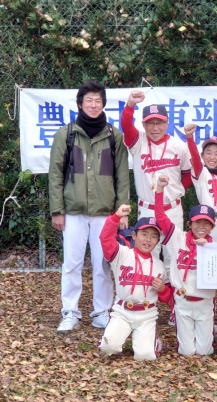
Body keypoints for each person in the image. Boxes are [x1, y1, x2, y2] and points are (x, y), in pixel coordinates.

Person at [49, 80, 130, 334]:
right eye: (89, 101)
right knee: (71, 264)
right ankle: (70, 312)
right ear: (80, 104)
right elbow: (55, 175)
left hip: (105, 213)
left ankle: (101, 312)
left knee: (103, 264)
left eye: (98, 101)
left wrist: (122, 211)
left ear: (103, 104)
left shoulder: (114, 136)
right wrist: (57, 210)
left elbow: (122, 177)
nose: (94, 105)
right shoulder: (67, 134)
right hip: (72, 211)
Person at [120, 90, 192, 279]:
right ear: (144, 124)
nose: (155, 127)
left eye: (159, 122)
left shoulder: (178, 146)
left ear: (167, 123)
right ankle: (147, 300)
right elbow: (126, 126)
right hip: (148, 208)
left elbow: (187, 175)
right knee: (146, 255)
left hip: (172, 209)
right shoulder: (139, 142)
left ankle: (174, 301)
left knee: (174, 255)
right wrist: (130, 105)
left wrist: (176, 191)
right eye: (150, 123)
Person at [154, 175, 217, 356]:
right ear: (190, 223)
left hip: (205, 303)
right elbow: (159, 215)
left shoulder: (216, 248)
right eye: (198, 222)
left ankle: (209, 332)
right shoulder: (178, 238)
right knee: (187, 352)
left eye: (207, 223)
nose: (202, 226)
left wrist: (208, 249)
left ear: (212, 227)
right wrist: (159, 189)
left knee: (205, 351)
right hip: (182, 301)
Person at [97, 206, 169, 360]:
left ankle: (152, 341)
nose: (148, 240)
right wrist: (115, 217)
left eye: (154, 236)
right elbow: (105, 238)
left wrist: (163, 289)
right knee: (108, 347)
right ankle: (120, 335)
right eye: (144, 234)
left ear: (158, 241)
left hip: (146, 314)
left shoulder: (159, 265)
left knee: (145, 356)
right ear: (134, 235)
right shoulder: (122, 254)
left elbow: (166, 297)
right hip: (122, 312)